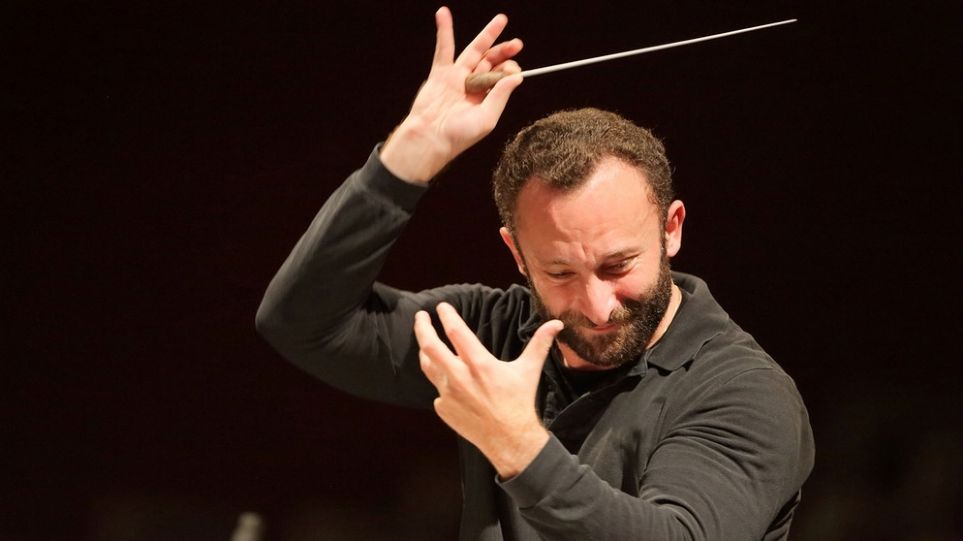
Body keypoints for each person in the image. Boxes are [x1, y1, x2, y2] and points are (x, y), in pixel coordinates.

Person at [256, 7, 814, 540]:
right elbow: (303, 322)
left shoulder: (741, 390)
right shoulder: (495, 334)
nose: (597, 305)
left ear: (671, 229)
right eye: (560, 272)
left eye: (617, 265)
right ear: (517, 255)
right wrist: (409, 157)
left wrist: (520, 448)